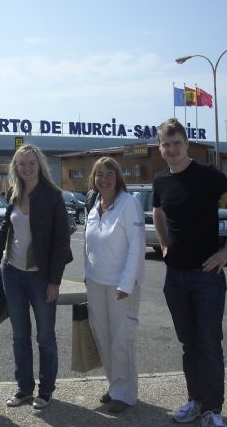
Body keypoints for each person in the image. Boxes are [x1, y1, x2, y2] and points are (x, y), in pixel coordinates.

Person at [152, 118, 227, 427]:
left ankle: (212, 410)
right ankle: (194, 402)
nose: (172, 149)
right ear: (160, 148)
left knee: (208, 344)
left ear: (187, 143)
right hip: (175, 277)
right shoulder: (161, 181)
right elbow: (158, 212)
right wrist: (164, 244)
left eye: (177, 143)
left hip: (206, 277)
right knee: (189, 344)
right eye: (166, 145)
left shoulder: (208, 175)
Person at [0, 144, 73, 409]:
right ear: (16, 167)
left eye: (31, 163)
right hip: (12, 274)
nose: (26, 168)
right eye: (21, 164)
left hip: (41, 276)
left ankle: (45, 390)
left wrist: (55, 281)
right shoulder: (14, 192)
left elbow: (61, 241)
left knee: (45, 337)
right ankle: (24, 389)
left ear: (40, 166)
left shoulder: (52, 196)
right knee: (19, 336)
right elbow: (7, 225)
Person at [83, 157, 146, 414]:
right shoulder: (95, 204)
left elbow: (137, 246)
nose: (104, 178)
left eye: (109, 173)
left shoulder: (128, 204)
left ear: (118, 177)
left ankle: (125, 394)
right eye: (99, 174)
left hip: (121, 286)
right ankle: (115, 385)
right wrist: (87, 277)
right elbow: (89, 246)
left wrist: (126, 283)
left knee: (122, 340)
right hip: (96, 284)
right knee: (103, 338)